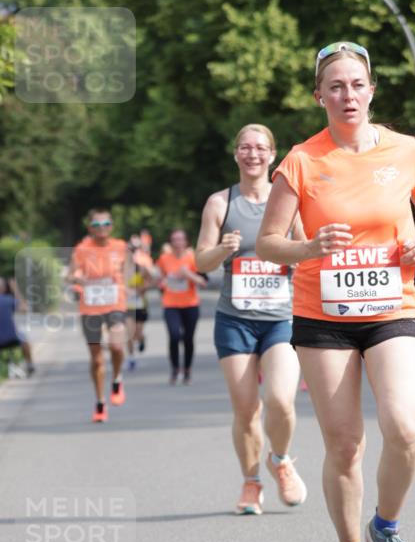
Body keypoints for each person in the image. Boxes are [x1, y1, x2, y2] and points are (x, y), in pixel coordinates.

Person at [257, 41, 415, 542]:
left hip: (393, 307)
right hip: (323, 316)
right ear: (319, 96)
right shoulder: (301, 160)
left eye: (357, 85)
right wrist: (309, 248)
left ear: (371, 90)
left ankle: (385, 527)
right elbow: (268, 242)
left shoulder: (405, 150)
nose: (348, 95)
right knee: (344, 444)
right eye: (335, 86)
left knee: (404, 428)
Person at [195, 123, 307, 516]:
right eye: (245, 147)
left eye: (260, 147)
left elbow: (306, 250)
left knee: (280, 400)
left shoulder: (289, 201)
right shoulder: (220, 203)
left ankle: (281, 460)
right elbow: (201, 261)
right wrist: (222, 251)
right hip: (235, 320)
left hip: (281, 319)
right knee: (246, 410)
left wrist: (295, 254)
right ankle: (251, 482)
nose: (252, 153)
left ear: (273, 155)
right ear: (236, 154)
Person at [69, 209, 131, 423]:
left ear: (111, 226)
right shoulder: (82, 249)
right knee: (96, 360)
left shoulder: (120, 247)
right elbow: (72, 274)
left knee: (116, 346)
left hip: (115, 304)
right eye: (96, 224)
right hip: (91, 307)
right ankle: (100, 402)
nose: (101, 228)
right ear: (90, 228)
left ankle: (117, 379)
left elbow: (128, 271)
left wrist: (127, 284)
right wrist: (78, 278)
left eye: (105, 223)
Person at [155, 229, 206, 384]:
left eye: (180, 239)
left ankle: (187, 369)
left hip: (190, 304)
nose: (177, 243)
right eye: (174, 240)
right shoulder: (164, 259)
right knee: (174, 336)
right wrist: (161, 283)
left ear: (186, 242)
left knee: (188, 338)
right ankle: (175, 368)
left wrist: (188, 274)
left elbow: (203, 282)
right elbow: (159, 280)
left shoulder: (193, 259)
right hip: (170, 304)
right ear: (170, 243)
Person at [0, 276, 34, 375]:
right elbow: (25, 309)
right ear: (4, 288)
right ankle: (29, 364)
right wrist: (16, 290)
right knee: (26, 342)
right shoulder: (9, 300)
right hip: (13, 337)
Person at [124, 235, 153, 370]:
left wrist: (141, 289)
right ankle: (131, 357)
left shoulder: (141, 268)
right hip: (126, 306)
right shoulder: (120, 270)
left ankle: (142, 339)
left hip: (140, 305)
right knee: (129, 333)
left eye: (134, 249)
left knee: (137, 333)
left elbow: (151, 281)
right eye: (130, 249)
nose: (132, 252)